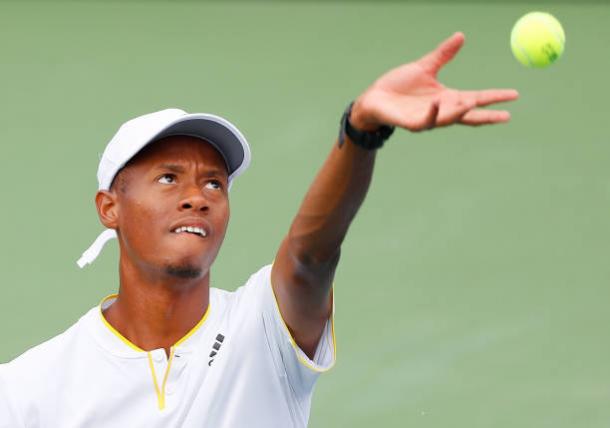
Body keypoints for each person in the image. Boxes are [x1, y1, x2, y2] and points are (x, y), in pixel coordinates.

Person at [0, 33, 518, 428]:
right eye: (168, 177)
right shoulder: (28, 390)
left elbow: (310, 256)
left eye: (215, 183)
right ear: (109, 208)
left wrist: (361, 131)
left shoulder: (262, 327)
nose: (196, 196)